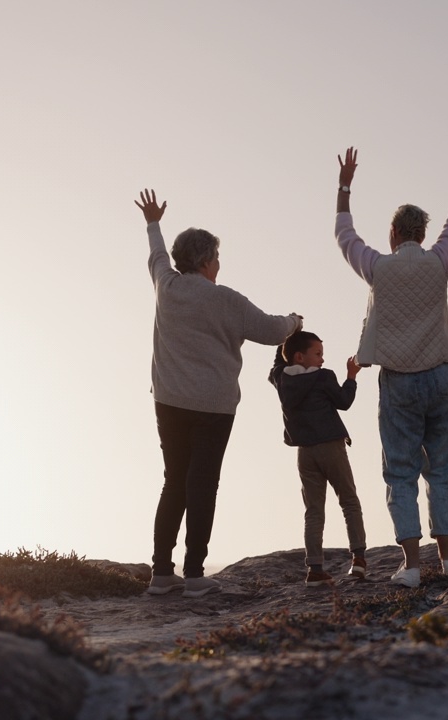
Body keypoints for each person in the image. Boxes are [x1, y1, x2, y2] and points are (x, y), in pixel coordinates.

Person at [334, 128, 448, 587]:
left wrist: (344, 186)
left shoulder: (377, 267)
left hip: (399, 380)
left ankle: (409, 565)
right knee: (441, 469)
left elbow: (343, 234)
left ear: (392, 233)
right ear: (422, 234)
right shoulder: (440, 259)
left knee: (401, 470)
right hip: (442, 375)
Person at [136, 189, 302, 598]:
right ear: (208, 261)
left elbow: (156, 255)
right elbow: (270, 330)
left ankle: (161, 572)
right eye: (217, 258)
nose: (219, 264)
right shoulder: (226, 299)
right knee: (203, 483)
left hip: (169, 401)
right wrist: (294, 321)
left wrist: (153, 222)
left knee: (174, 480)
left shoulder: (166, 287)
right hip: (213, 406)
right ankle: (194, 574)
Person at [268, 330, 368, 586]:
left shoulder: (281, 378)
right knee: (348, 500)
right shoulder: (324, 377)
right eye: (318, 354)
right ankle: (358, 559)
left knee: (313, 511)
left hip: (305, 453)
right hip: (330, 447)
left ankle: (315, 569)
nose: (323, 359)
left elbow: (278, 363)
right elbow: (344, 402)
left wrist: (289, 332)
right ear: (300, 356)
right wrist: (351, 377)